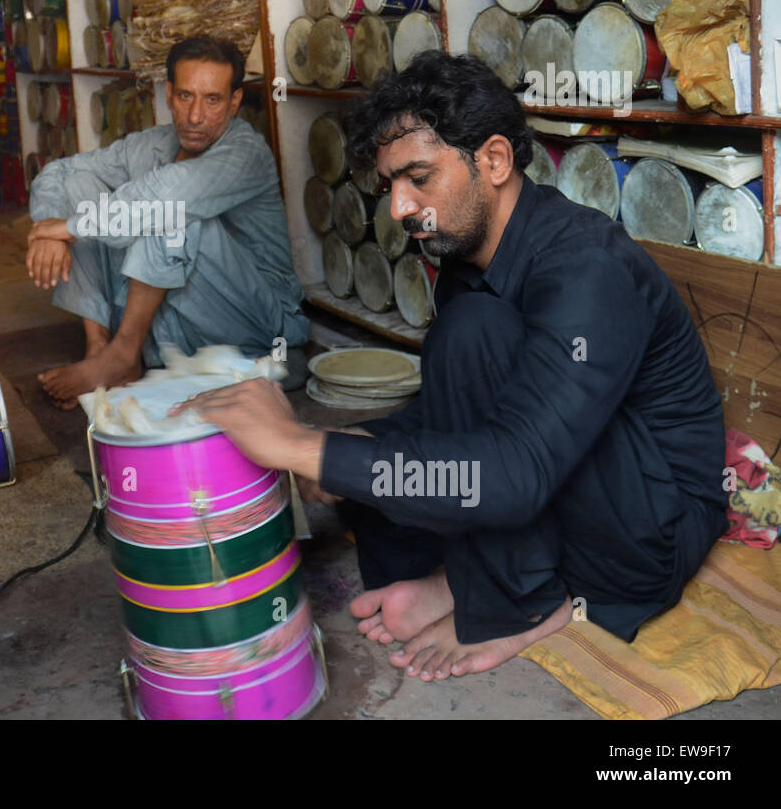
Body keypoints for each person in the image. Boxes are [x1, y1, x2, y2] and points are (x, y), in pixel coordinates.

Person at [174, 51, 727, 681]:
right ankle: (471, 578)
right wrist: (349, 447)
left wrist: (303, 446)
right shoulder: (466, 258)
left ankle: (523, 602)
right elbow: (467, 410)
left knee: (432, 415)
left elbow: (516, 469)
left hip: (649, 529)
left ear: (492, 160)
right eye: (391, 187)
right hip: (558, 471)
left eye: (418, 178)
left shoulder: (585, 269)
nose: (401, 207)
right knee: (381, 454)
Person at [26, 35, 311, 409]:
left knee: (168, 212)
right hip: (175, 329)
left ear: (235, 102)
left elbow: (167, 195)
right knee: (82, 185)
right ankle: (101, 350)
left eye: (213, 100)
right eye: (185, 96)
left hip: (255, 324)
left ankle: (124, 354)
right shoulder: (149, 145)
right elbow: (61, 173)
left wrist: (67, 229)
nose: (195, 116)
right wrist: (49, 225)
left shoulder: (246, 152)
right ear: (169, 94)